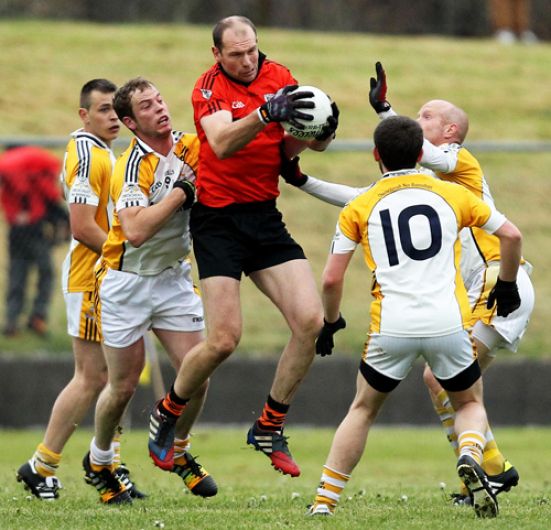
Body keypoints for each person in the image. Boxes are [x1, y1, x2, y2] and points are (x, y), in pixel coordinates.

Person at [283, 61, 534, 505]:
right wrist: (304, 180)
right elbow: (367, 195)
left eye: (428, 115)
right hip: (469, 295)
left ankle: (491, 468)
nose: (419, 121)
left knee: (436, 389)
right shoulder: (431, 185)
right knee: (445, 384)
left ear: (452, 131)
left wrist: (386, 111)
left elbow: (404, 160)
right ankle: (488, 467)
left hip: (498, 281)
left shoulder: (460, 163)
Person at [146, 15, 339, 479]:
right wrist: (264, 113)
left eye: (252, 49)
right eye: (236, 54)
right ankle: (168, 412)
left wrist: (320, 130)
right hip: (217, 221)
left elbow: (292, 146)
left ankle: (269, 426)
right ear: (217, 55)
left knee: (311, 322)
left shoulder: (280, 78)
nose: (248, 60)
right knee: (224, 340)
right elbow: (221, 142)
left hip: (263, 217)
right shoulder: (206, 89)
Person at [83, 77, 217, 505]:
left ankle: (178, 451)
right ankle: (100, 460)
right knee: (121, 387)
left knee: (196, 376)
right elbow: (136, 230)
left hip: (173, 278)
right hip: (126, 281)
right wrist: (182, 192)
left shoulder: (190, 146)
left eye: (160, 99)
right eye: (146, 106)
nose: (160, 108)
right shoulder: (131, 165)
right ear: (130, 121)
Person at [15, 79, 146, 501]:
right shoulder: (88, 155)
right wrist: (123, 256)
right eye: (104, 110)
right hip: (94, 275)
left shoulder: (105, 151)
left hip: (112, 273)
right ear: (83, 115)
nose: (113, 118)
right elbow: (83, 226)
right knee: (94, 377)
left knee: (120, 377)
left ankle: (106, 466)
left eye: (116, 110)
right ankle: (42, 465)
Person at [0, 145, 65, 337]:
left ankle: (13, 320)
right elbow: (49, 196)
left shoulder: (15, 174)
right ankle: (37, 316)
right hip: (34, 230)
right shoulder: (32, 172)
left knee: (17, 274)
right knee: (45, 272)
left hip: (18, 230)